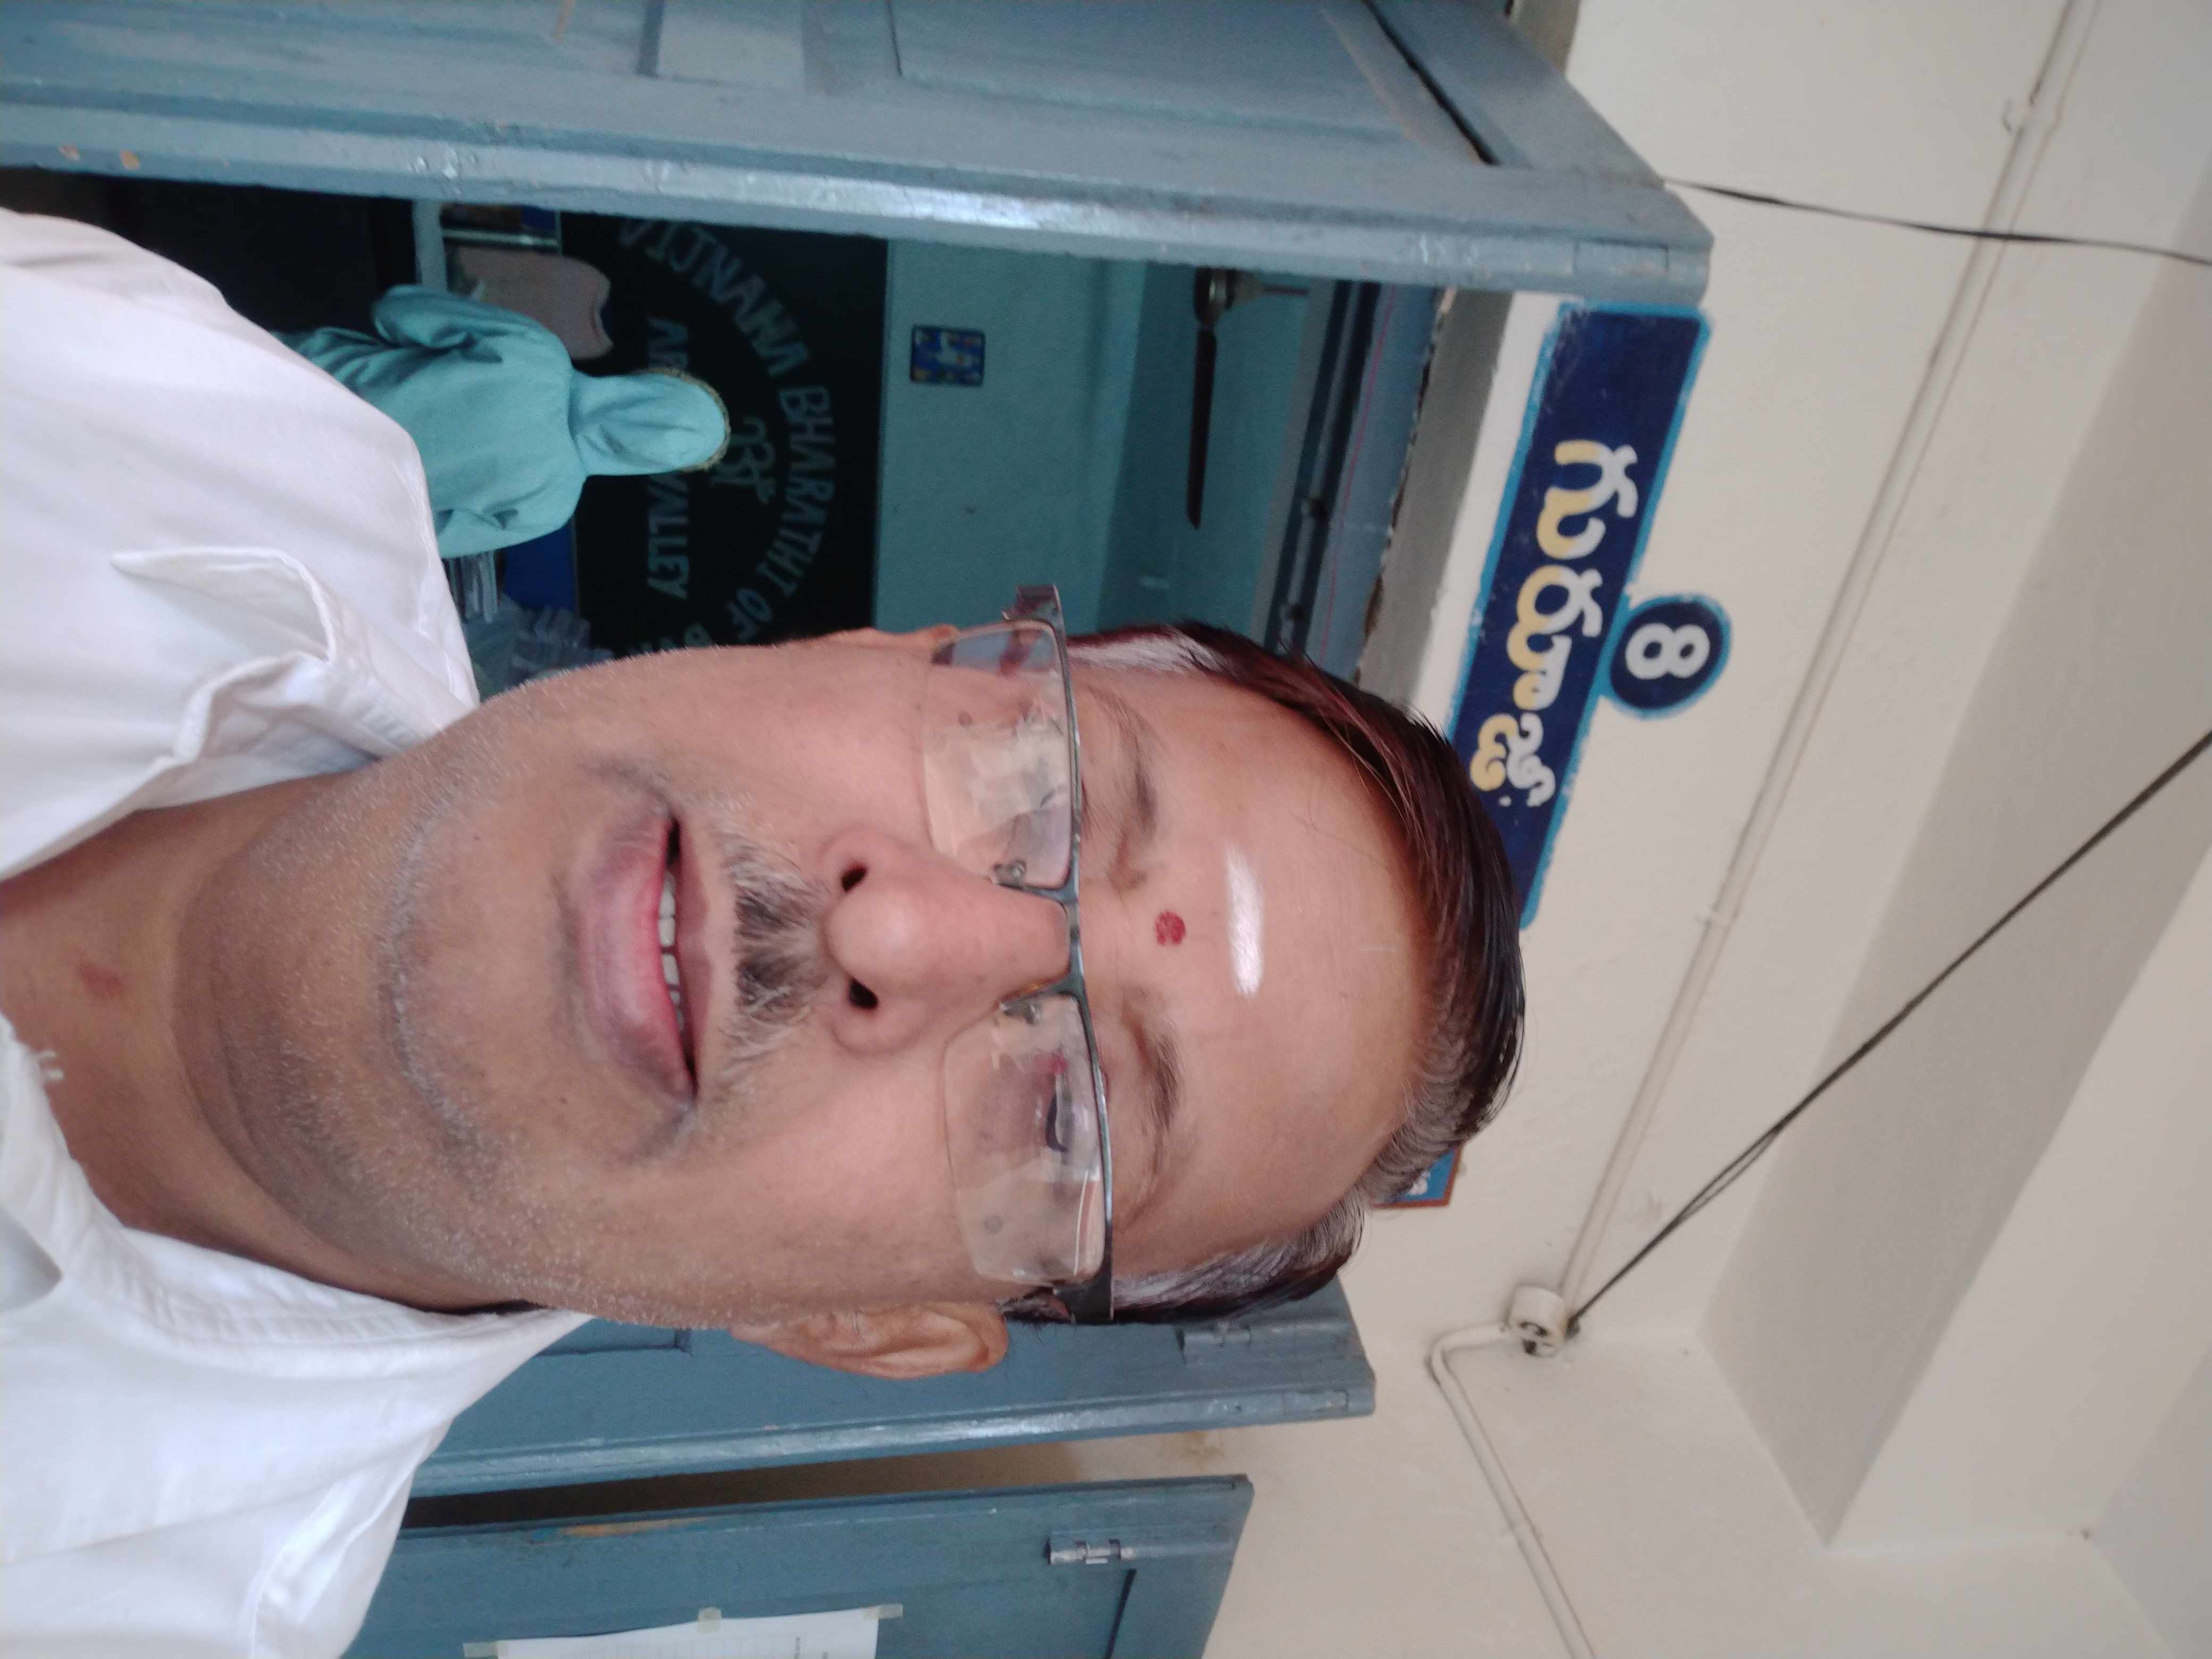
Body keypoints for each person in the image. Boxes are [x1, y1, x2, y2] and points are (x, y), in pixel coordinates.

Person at [0, 212, 1523, 1655]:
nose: (904, 932)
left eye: (1069, 1114)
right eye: (1041, 785)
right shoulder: (136, 395)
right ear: (875, 649)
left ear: (865, 1323)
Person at [283, 286, 730, 557]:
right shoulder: (548, 507)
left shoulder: (537, 353)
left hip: (287, 378)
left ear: (651, 383)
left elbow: (397, 310)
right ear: (647, 465)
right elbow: (416, 540)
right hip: (295, 490)